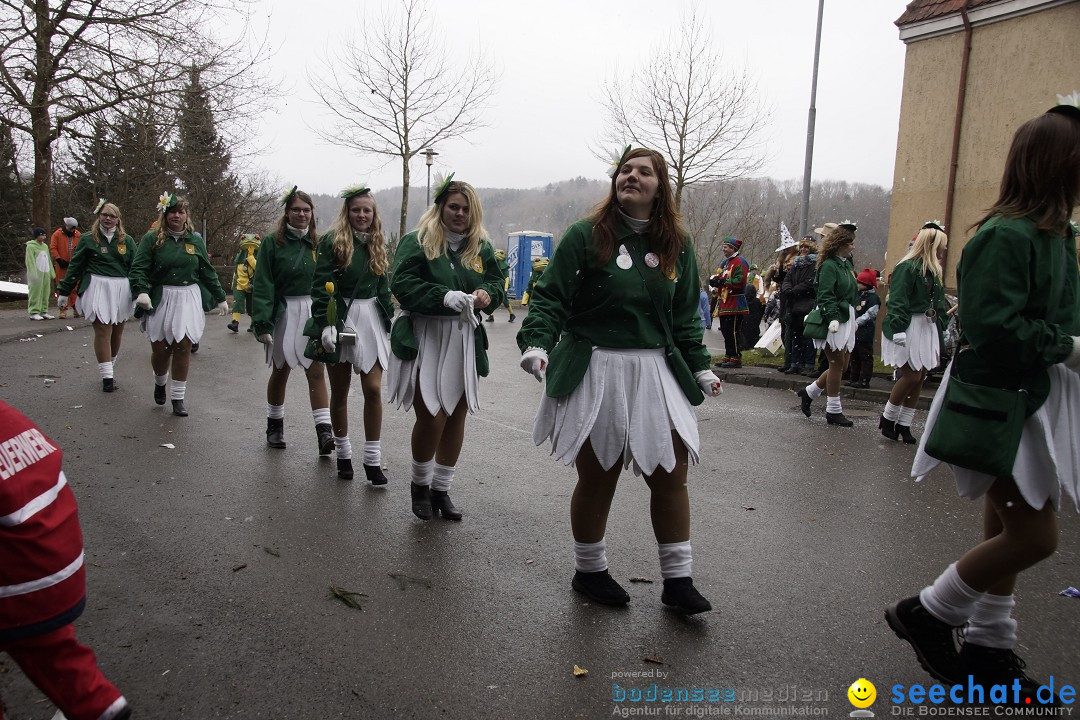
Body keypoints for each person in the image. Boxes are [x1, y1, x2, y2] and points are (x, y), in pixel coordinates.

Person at [886, 101, 1080, 703]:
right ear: (1057, 164)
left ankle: (990, 646)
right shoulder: (1005, 235)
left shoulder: (1056, 234)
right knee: (1036, 535)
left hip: (1030, 398)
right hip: (1001, 401)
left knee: (1010, 521)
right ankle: (929, 610)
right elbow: (995, 327)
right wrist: (1068, 347)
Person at [516, 147, 723, 615]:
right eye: (625, 170)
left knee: (671, 474)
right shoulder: (585, 235)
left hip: (655, 370)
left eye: (644, 172)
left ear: (660, 185)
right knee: (599, 475)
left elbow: (685, 316)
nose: (632, 177)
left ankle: (678, 581)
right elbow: (549, 300)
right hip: (597, 367)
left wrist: (700, 365)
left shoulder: (679, 243)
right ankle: (589, 570)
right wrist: (536, 344)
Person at [0, 400, 131, 720]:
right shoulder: (7, 416)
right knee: (51, 652)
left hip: (22, 577)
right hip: (60, 556)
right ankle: (100, 704)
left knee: (37, 640)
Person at [386, 174, 505, 522]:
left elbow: (496, 281)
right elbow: (403, 283)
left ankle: (441, 488)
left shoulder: (479, 246)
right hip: (428, 335)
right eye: (454, 206)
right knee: (432, 415)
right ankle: (419, 486)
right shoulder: (417, 241)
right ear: (440, 208)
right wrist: (442, 296)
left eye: (466, 209)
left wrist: (488, 295)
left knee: (457, 414)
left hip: (464, 338)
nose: (460, 214)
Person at [306, 184, 393, 483]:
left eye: (366, 210)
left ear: (373, 213)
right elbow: (320, 286)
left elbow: (383, 286)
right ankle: (344, 454)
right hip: (340, 316)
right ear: (347, 212)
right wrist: (327, 322)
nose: (361, 215)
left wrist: (390, 320)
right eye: (356, 209)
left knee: (373, 389)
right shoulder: (332, 241)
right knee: (340, 390)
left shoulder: (377, 241)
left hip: (370, 320)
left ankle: (372, 459)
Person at [129, 192, 228, 416]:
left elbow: (206, 271)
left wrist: (220, 297)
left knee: (183, 346)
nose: (177, 215)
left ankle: (178, 398)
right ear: (165, 214)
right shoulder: (151, 239)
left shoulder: (194, 240)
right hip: (161, 297)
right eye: (172, 211)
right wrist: (141, 291)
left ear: (186, 215)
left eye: (181, 212)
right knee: (161, 350)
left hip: (187, 297)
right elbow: (139, 268)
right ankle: (160, 381)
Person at [252, 188, 332, 453]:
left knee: (316, 369)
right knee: (281, 368)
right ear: (287, 212)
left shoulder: (318, 243)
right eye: (296, 209)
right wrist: (262, 323)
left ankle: (324, 433)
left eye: (306, 210)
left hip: (312, 309)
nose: (301, 214)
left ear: (312, 214)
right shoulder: (272, 243)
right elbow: (263, 282)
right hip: (284, 310)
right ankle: (274, 426)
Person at [55, 200, 137, 393]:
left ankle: (109, 365)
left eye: (112, 215)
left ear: (118, 219)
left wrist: (138, 291)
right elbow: (76, 266)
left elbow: (135, 267)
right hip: (97, 287)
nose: (108, 218)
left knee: (117, 331)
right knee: (103, 330)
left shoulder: (128, 241)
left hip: (120, 288)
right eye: (104, 215)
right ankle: (107, 377)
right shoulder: (87, 239)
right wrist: (65, 291)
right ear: (99, 216)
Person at [879, 223, 950, 443]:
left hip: (925, 326)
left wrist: (943, 324)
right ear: (929, 245)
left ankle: (904, 423)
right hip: (908, 325)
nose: (942, 251)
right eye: (940, 247)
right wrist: (898, 327)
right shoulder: (907, 267)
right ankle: (887, 418)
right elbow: (898, 299)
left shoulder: (932, 271)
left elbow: (938, 302)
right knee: (910, 374)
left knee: (920, 376)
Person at [795, 223, 858, 426]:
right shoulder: (829, 265)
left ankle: (810, 392)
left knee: (843, 364)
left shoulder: (845, 264)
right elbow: (825, 295)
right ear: (840, 243)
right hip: (833, 318)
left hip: (846, 315)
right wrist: (832, 317)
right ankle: (833, 410)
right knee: (836, 364)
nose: (853, 247)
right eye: (850, 243)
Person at [781, 238, 818, 375]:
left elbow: (810, 283)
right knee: (795, 336)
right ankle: (794, 363)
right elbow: (787, 279)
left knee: (808, 337)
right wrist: (788, 289)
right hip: (794, 305)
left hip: (807, 304)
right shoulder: (796, 264)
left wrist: (794, 290)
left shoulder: (815, 264)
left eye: (806, 247)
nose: (803, 249)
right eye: (801, 247)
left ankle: (808, 364)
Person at [711, 237, 750, 368]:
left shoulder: (740, 262)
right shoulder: (726, 263)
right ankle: (728, 356)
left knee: (733, 330)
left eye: (725, 247)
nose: (723, 249)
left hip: (735, 301)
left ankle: (735, 357)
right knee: (725, 330)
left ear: (733, 248)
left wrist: (724, 282)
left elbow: (740, 281)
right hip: (725, 301)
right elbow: (721, 277)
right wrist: (716, 282)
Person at [847, 269, 881, 389]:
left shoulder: (873, 298)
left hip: (865, 332)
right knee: (854, 355)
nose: (857, 285)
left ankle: (864, 379)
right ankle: (853, 377)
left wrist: (857, 323)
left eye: (860, 282)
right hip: (854, 332)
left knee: (865, 356)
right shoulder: (857, 296)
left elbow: (870, 314)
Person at [766, 245, 798, 371]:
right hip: (784, 299)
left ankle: (793, 362)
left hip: (791, 300)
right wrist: (775, 272)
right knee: (785, 331)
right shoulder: (781, 261)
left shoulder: (795, 261)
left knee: (791, 333)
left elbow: (789, 280)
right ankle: (788, 361)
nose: (785, 251)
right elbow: (781, 280)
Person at [228, 233, 260, 333]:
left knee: (251, 306)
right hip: (239, 284)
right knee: (237, 303)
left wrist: (250, 256)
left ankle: (254, 324)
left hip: (252, 285)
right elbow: (237, 270)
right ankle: (235, 323)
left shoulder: (257, 256)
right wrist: (234, 283)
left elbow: (258, 268)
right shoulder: (239, 257)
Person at [50, 218, 80, 317]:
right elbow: (53, 247)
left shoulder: (78, 235)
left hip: (74, 264)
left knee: (75, 287)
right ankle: (62, 309)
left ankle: (76, 308)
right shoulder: (57, 234)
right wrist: (58, 259)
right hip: (62, 264)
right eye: (70, 228)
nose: (72, 230)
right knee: (62, 287)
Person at [25, 227, 55, 321]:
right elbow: (30, 261)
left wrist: (51, 272)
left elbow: (48, 259)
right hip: (36, 274)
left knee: (45, 292)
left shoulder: (45, 246)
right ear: (37, 236)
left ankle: (43, 311)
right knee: (35, 292)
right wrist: (33, 274)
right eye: (42, 235)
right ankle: (34, 312)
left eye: (44, 234)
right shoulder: (31, 246)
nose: (44, 236)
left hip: (45, 272)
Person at [483, 248, 516, 322]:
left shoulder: (504, 267)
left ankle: (512, 314)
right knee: (493, 299)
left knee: (505, 301)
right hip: (497, 284)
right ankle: (491, 316)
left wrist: (506, 288)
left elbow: (507, 278)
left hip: (503, 285)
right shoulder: (496, 264)